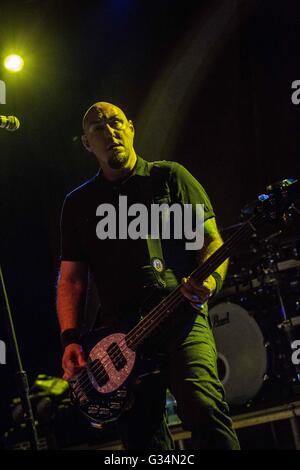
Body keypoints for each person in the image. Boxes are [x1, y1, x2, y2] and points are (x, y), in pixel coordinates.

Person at [56, 101, 240, 450]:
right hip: (120, 337)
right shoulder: (79, 203)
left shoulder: (168, 177)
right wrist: (70, 339)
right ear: (85, 142)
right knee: (141, 440)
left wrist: (210, 282)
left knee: (205, 409)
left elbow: (211, 240)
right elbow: (71, 279)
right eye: (98, 126)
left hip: (180, 319)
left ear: (130, 127)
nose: (109, 131)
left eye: (115, 122)